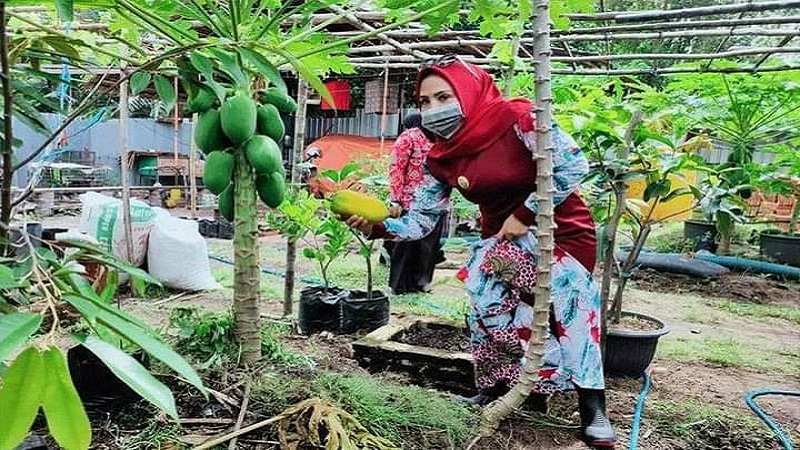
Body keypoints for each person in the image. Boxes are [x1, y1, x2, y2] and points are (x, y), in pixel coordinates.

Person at [342, 56, 616, 448]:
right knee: (485, 307)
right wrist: (379, 227)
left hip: (558, 234)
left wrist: (525, 213)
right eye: (425, 102)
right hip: (501, 241)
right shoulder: (441, 155)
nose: (434, 110)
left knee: (571, 311)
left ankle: (593, 407)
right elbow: (421, 221)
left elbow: (572, 165)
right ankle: (499, 386)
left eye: (443, 97)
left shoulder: (517, 117)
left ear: (470, 92)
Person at [382, 112, 445, 294]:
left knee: (429, 246)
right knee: (407, 243)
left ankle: (421, 283)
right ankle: (399, 286)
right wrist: (396, 198)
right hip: (411, 200)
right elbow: (397, 167)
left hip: (437, 202)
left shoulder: (441, 138)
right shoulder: (409, 137)